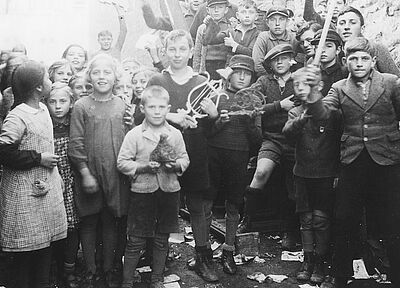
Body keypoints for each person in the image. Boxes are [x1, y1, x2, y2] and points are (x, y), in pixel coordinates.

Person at [305, 37, 400, 288]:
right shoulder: (338, 87)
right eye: (353, 59)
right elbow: (322, 115)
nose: (359, 64)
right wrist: (312, 94)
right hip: (353, 159)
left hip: (387, 160)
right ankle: (340, 275)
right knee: (345, 217)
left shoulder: (390, 84)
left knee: (391, 219)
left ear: (374, 61)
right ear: (345, 62)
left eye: (364, 59)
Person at [147, 29, 220, 283]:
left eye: (182, 49)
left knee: (197, 205)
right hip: (163, 151)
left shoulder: (201, 81)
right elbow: (142, 113)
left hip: (196, 150)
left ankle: (203, 257)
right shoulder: (158, 80)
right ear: (165, 52)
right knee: (164, 205)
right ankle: (159, 258)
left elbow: (211, 128)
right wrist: (171, 117)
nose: (177, 54)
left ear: (191, 52)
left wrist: (213, 115)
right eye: (172, 49)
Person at [0, 60, 67, 288]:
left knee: (43, 247)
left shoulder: (42, 109)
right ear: (39, 87)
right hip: (23, 197)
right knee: (24, 256)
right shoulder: (17, 116)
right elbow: (4, 152)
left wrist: (56, 177)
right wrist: (38, 158)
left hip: (44, 194)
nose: (50, 82)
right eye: (47, 79)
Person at [117, 85, 190, 288]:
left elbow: (185, 159)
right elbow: (122, 162)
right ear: (142, 108)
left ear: (168, 108)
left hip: (168, 192)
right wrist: (143, 167)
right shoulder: (135, 134)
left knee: (161, 239)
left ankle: (157, 278)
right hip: (142, 193)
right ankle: (127, 281)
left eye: (161, 107)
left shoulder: (175, 134)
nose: (157, 111)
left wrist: (175, 165)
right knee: (136, 240)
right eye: (151, 107)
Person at [68, 54, 130, 288]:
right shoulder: (82, 106)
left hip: (116, 174)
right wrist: (84, 173)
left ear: (116, 77)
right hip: (90, 173)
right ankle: (92, 269)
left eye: (107, 72)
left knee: (110, 220)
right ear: (89, 77)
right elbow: (76, 143)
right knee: (89, 220)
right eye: (96, 73)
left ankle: (109, 267)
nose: (102, 77)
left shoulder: (122, 104)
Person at [282, 67, 342, 285]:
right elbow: (288, 134)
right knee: (306, 218)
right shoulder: (295, 112)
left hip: (325, 174)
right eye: (296, 85)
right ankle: (307, 259)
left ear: (319, 86)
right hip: (303, 173)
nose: (299, 89)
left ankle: (320, 259)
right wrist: (300, 120)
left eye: (305, 84)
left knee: (321, 219)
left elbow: (328, 120)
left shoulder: (330, 110)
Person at [238, 44, 298, 250]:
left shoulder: (299, 79)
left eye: (284, 58)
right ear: (270, 64)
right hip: (272, 138)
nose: (280, 62)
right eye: (275, 60)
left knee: (294, 187)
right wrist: (278, 106)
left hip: (296, 141)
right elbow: (249, 106)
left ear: (292, 60)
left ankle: (290, 231)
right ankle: (247, 220)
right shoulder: (264, 82)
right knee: (261, 172)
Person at [207, 54, 261, 275]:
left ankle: (228, 251)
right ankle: (203, 253)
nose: (241, 77)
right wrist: (219, 121)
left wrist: (249, 122)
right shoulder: (216, 96)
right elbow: (206, 133)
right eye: (237, 72)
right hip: (214, 154)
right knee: (206, 203)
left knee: (234, 204)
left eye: (246, 73)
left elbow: (258, 139)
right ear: (228, 74)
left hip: (239, 156)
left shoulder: (254, 101)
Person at [43, 83, 80, 288]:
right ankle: (52, 269)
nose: (58, 106)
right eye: (52, 101)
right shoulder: (44, 124)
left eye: (63, 101)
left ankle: (69, 269)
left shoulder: (74, 123)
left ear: (71, 102)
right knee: (52, 227)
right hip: (50, 179)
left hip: (72, 180)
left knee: (72, 226)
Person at [336, 6, 400, 77]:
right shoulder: (335, 53)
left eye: (353, 23)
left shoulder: (376, 48)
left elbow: (396, 80)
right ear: (336, 29)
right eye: (342, 23)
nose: (346, 27)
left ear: (362, 28)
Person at [203, 0, 260, 65]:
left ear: (256, 16)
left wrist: (234, 45)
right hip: (230, 68)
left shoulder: (258, 34)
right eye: (243, 12)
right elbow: (212, 41)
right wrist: (210, 23)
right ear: (238, 15)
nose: (247, 16)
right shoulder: (231, 31)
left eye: (251, 12)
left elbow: (251, 53)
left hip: (248, 69)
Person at [252, 6, 297, 77]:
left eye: (282, 19)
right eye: (273, 20)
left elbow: (296, 62)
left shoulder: (293, 39)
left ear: (287, 22)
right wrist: (272, 81)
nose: (277, 24)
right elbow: (257, 65)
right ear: (267, 22)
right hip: (267, 78)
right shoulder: (263, 37)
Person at [193, 0, 232, 79]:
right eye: (213, 7)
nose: (216, 10)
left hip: (224, 64)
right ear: (207, 10)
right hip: (207, 65)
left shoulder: (230, 27)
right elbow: (197, 52)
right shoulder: (203, 28)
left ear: (226, 10)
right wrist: (196, 72)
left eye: (220, 7)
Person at [310, 29, 348, 96]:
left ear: (338, 50)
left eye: (329, 46)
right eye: (318, 47)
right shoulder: (310, 73)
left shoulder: (344, 75)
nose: (323, 50)